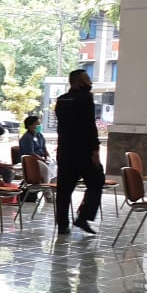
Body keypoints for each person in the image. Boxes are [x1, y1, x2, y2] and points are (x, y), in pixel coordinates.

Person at [53, 69, 103, 235]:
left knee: (64, 190)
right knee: (96, 182)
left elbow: (64, 127)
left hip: (66, 151)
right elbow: (90, 126)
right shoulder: (85, 99)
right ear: (78, 81)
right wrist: (95, 150)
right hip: (84, 152)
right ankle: (83, 217)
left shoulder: (61, 100)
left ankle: (62, 224)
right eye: (87, 78)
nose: (90, 81)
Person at [19, 115, 53, 183]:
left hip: (41, 158)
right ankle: (46, 189)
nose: (39, 126)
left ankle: (52, 187)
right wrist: (42, 160)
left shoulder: (39, 135)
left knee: (54, 167)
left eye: (39, 124)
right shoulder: (27, 138)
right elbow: (31, 153)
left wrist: (48, 157)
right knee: (46, 169)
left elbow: (44, 148)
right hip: (31, 160)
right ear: (29, 126)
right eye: (37, 124)